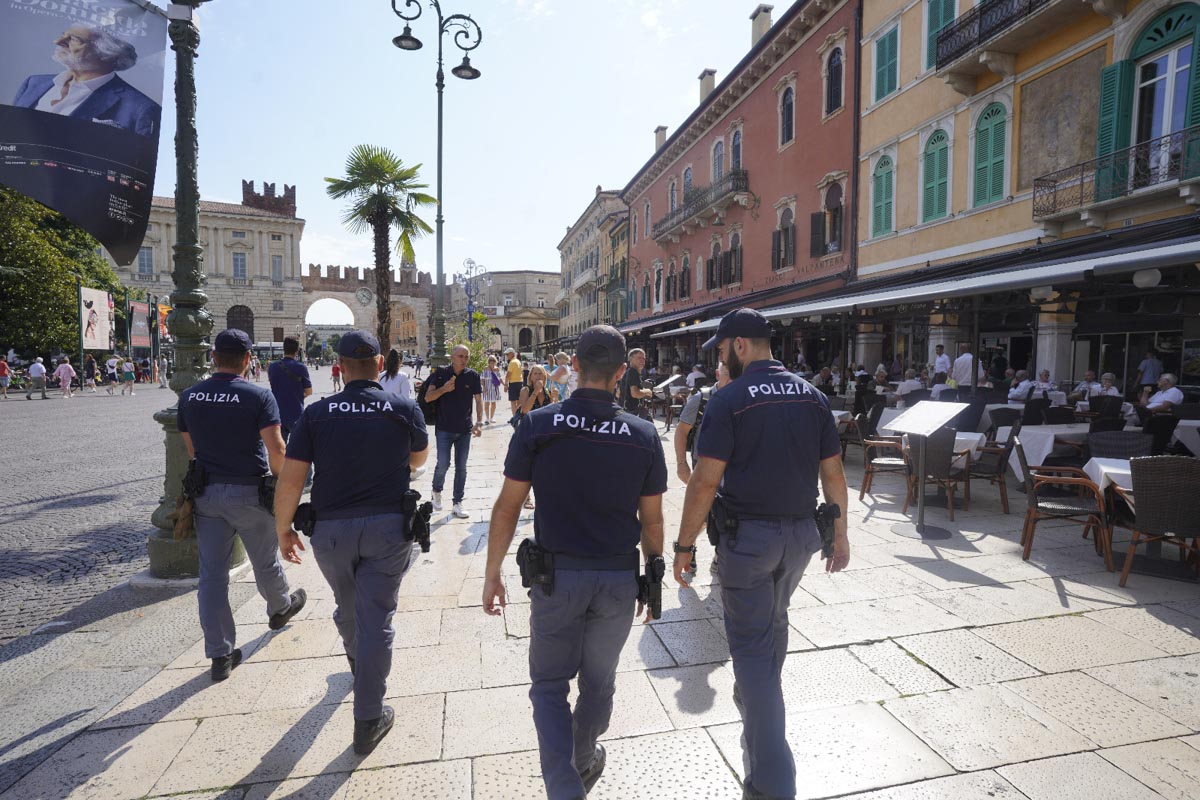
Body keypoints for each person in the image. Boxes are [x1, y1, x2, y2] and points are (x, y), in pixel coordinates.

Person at [482, 325, 667, 800]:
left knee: (548, 685)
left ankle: (566, 782)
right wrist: (655, 578)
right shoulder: (643, 435)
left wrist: (493, 573)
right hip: (616, 580)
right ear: (622, 372)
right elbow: (652, 521)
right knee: (599, 681)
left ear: (575, 367)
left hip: (556, 577)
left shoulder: (539, 425)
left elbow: (507, 507)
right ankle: (582, 758)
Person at [674, 308, 850, 800]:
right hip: (800, 538)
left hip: (749, 539)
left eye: (723, 347)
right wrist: (840, 535)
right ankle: (759, 697)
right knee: (774, 621)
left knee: (750, 650)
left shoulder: (730, 399)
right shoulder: (813, 396)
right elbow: (834, 475)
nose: (722, 356)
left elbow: (705, 481)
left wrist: (685, 546)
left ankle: (772, 780)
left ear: (741, 346)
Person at [274, 329, 429, 756]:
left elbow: (292, 477)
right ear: (380, 364)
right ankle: (368, 717)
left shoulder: (316, 413)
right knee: (376, 616)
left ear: (339, 369)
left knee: (347, 604)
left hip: (331, 531)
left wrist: (282, 527)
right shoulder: (402, 407)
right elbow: (419, 459)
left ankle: (360, 663)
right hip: (386, 529)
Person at [176, 329, 306, 683]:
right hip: (249, 491)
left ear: (214, 357)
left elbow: (192, 451)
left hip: (207, 495)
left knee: (212, 576)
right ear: (248, 359)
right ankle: (280, 607)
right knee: (264, 560)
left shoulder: (189, 397)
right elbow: (277, 452)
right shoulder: (258, 397)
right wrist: (287, 489)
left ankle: (220, 654)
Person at [12, 25, 162, 137]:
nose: (58, 41)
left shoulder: (141, 108)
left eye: (74, 39)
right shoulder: (33, 83)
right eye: (63, 35)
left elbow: (137, 165)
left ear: (109, 55)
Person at [425, 344, 483, 519]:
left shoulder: (472, 376)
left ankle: (457, 503)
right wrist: (444, 389)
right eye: (460, 356)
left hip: (464, 430)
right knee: (443, 463)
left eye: (466, 356)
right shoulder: (441, 373)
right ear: (452, 357)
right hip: (444, 428)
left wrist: (479, 422)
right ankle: (436, 491)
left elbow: (479, 401)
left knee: (462, 467)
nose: (464, 360)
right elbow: (428, 397)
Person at [674, 361, 730, 485]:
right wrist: (681, 464)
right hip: (703, 465)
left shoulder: (742, 398)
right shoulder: (701, 399)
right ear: (717, 374)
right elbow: (682, 431)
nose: (732, 380)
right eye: (727, 374)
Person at [268, 336, 313, 441]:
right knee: (297, 450)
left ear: (283, 349)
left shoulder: (272, 367)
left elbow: (273, 385)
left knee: (280, 450)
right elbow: (309, 391)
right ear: (297, 351)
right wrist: (297, 395)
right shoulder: (301, 367)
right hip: (296, 412)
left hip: (277, 413)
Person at [617, 348, 653, 420]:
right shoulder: (633, 372)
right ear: (631, 358)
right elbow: (635, 394)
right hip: (632, 413)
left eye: (643, 358)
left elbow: (618, 393)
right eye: (639, 358)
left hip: (623, 411)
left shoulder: (627, 372)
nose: (642, 360)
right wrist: (648, 391)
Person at [481, 354, 503, 424]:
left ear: (495, 361)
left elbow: (499, 378)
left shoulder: (497, 369)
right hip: (487, 388)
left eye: (493, 360)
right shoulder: (485, 369)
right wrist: (483, 387)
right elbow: (482, 379)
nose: (492, 361)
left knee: (493, 404)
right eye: (490, 360)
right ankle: (487, 419)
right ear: (488, 361)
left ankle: (491, 418)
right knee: (487, 404)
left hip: (494, 389)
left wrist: (505, 384)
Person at [504, 348, 524, 419]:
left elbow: (508, 374)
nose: (507, 356)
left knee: (513, 401)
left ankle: (514, 417)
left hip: (513, 383)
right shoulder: (518, 361)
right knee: (519, 401)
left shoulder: (512, 362)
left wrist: (505, 385)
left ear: (512, 353)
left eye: (507, 354)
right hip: (520, 382)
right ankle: (519, 416)